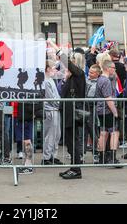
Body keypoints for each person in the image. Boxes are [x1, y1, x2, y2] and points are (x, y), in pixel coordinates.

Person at [48, 40, 86, 179]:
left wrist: (54, 47)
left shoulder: (79, 74)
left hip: (73, 113)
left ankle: (76, 169)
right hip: (68, 113)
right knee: (69, 141)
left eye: (71, 62)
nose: (67, 66)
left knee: (73, 141)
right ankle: (73, 167)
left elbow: (66, 61)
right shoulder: (71, 77)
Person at [95, 60, 120, 165]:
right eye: (113, 68)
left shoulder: (100, 79)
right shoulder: (106, 81)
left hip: (100, 110)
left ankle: (102, 157)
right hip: (107, 110)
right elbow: (108, 98)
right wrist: (115, 112)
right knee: (114, 132)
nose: (114, 70)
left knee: (103, 132)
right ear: (108, 68)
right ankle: (113, 158)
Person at [41, 60, 62, 165]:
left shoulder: (50, 80)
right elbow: (51, 98)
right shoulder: (45, 81)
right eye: (53, 67)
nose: (55, 70)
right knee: (50, 134)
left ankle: (53, 155)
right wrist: (60, 105)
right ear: (48, 69)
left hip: (55, 109)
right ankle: (46, 157)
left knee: (57, 134)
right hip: (50, 110)